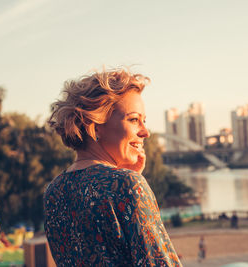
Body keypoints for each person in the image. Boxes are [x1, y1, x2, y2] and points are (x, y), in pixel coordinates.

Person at [44, 68, 182, 266]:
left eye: (144, 121)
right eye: (134, 119)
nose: (145, 132)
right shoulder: (126, 186)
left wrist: (129, 182)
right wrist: (133, 187)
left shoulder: (54, 191)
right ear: (95, 125)